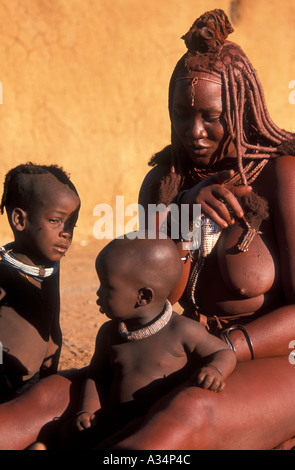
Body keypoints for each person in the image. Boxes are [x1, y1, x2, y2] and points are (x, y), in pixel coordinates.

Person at [110, 9, 295, 450]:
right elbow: (145, 304)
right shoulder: (164, 184)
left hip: (273, 359)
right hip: (187, 357)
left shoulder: (281, 177)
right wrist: (183, 216)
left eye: (211, 116)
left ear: (240, 108)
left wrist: (225, 350)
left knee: (188, 412)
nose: (195, 132)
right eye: (181, 115)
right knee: (58, 397)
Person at [63, 233, 235, 448]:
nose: (98, 293)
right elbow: (97, 376)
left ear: (143, 296)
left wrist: (215, 370)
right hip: (114, 421)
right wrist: (87, 410)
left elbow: (223, 352)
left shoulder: (181, 330)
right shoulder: (110, 333)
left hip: (156, 426)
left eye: (107, 287)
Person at [0, 162, 80, 403]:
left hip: (34, 383)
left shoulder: (50, 269)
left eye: (72, 223)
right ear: (19, 220)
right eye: (55, 220)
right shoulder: (4, 273)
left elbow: (51, 322)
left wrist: (48, 370)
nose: (66, 232)